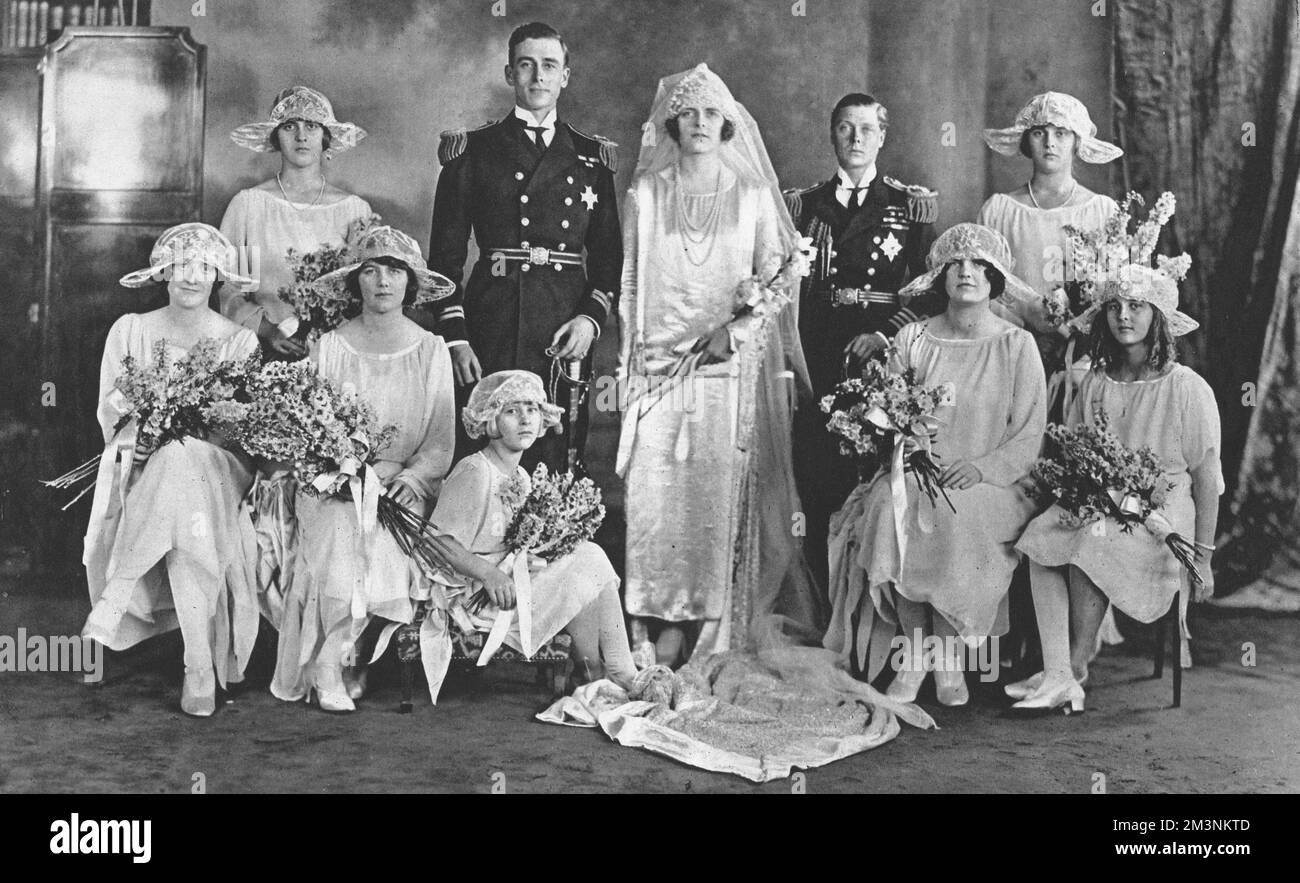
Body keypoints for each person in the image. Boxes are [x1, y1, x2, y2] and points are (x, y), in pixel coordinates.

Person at [617, 63, 818, 667]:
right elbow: (629, 283)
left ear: (728, 123)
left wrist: (741, 328)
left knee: (710, 498)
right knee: (652, 498)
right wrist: (631, 365)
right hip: (655, 370)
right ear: (672, 123)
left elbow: (778, 282)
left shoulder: (753, 196)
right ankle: (644, 624)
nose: (699, 123)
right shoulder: (645, 194)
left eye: (711, 113)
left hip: (723, 371)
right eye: (689, 112)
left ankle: (707, 627)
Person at [825, 224, 1046, 706]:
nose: (966, 273)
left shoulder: (1016, 346)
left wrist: (983, 468)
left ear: (995, 279)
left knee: (956, 514)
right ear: (940, 277)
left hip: (993, 479)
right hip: (915, 471)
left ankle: (948, 660)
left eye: (978, 266)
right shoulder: (912, 339)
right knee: (889, 507)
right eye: (955, 265)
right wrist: (900, 448)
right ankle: (915, 654)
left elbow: (1030, 434)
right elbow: (887, 407)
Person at [1012, 261, 1219, 712]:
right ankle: (1059, 672)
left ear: (1158, 317)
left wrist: (1204, 555)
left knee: (1091, 541)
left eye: (1137, 306)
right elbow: (1081, 449)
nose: (1124, 316)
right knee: (1039, 536)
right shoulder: (1096, 383)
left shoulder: (1186, 387)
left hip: (1164, 509)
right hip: (1105, 500)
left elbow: (1206, 479)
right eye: (1115, 307)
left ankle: (1072, 670)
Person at [271, 226, 456, 712]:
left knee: (383, 544)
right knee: (342, 530)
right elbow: (309, 429)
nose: (382, 281)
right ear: (356, 281)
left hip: (401, 486)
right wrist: (337, 472)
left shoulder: (430, 349)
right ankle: (340, 660)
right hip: (334, 482)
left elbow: (440, 442)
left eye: (394, 271)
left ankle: (333, 659)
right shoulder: (330, 346)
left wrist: (411, 480)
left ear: (410, 283)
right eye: (370, 270)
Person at [81, 223, 261, 717]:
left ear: (218, 276)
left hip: (220, 466)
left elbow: (238, 428)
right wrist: (146, 434)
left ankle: (118, 592)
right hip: (149, 463)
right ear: (163, 272)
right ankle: (198, 665)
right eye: (181, 266)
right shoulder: (131, 330)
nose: (191, 277)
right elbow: (111, 409)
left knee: (185, 460)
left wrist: (183, 431)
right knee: (181, 491)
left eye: (204, 268)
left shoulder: (239, 341)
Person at [428, 22, 622, 473]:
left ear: (565, 77)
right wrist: (455, 337)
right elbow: (444, 261)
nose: (538, 77)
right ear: (509, 73)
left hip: (564, 322)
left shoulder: (593, 159)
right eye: (526, 65)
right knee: (488, 445)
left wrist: (591, 320)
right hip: (492, 318)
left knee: (557, 450)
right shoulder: (473, 151)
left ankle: (549, 542)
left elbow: (610, 258)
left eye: (549, 66)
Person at [784, 92, 940, 592]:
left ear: (882, 137)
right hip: (819, 358)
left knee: (874, 481)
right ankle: (824, 603)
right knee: (817, 478)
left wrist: (884, 333)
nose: (855, 139)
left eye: (866, 129)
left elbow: (931, 290)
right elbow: (787, 291)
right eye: (846, 128)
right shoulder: (803, 205)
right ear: (832, 135)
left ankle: (872, 606)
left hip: (882, 363)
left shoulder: (908, 207)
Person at [417, 371, 638, 702]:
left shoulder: (520, 474)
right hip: (473, 594)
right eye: (511, 411)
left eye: (532, 410)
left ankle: (613, 671)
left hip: (508, 581)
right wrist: (488, 572)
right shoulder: (475, 471)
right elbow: (437, 542)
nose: (525, 420)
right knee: (583, 568)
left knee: (586, 556)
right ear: (491, 420)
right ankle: (600, 674)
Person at [222, 85, 373, 360]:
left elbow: (364, 292)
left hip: (335, 352)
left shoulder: (354, 211)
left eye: (312, 126)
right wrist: (267, 331)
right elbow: (231, 287)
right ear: (275, 137)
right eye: (290, 126)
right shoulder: (249, 206)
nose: (301, 136)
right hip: (261, 350)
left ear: (325, 138)